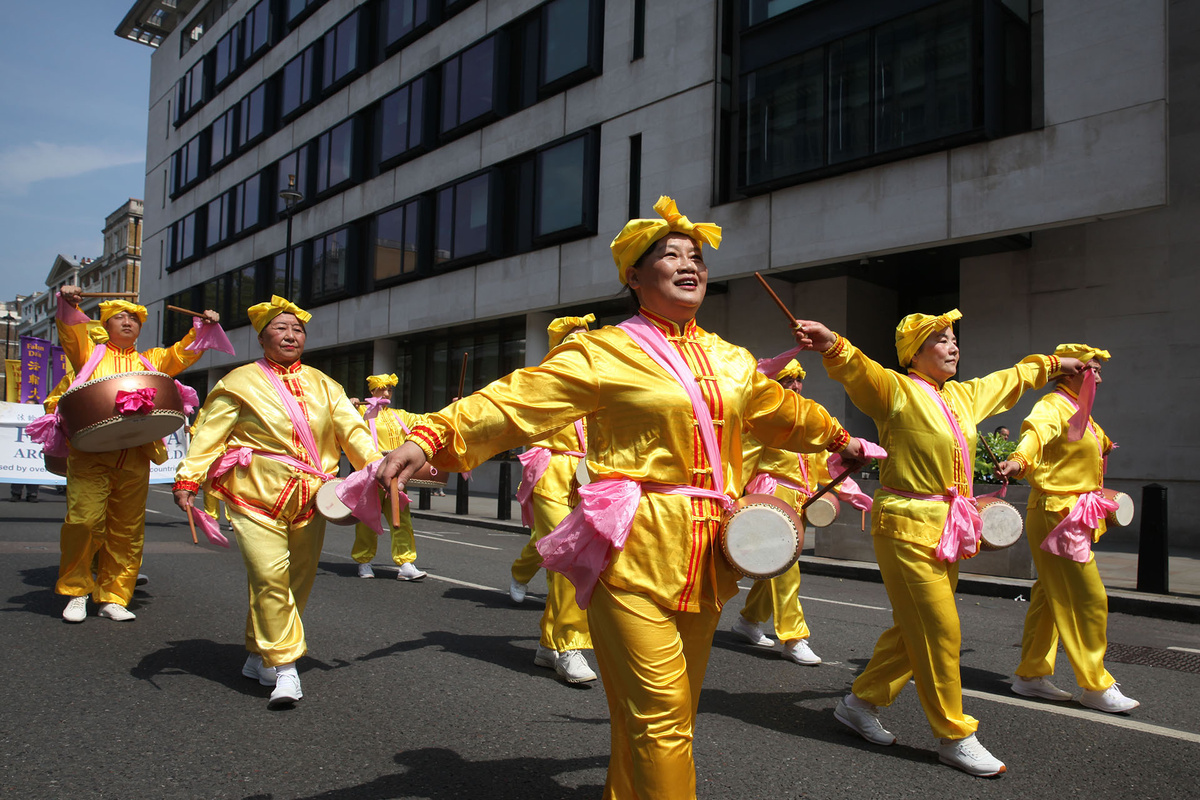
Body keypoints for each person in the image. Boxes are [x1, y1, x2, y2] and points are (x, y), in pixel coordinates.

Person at [378, 196, 863, 799]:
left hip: (712, 550)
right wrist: (431, 435)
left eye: (697, 258)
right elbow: (513, 401)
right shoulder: (601, 352)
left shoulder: (730, 358)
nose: (691, 266)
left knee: (669, 714)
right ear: (634, 277)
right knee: (662, 721)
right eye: (671, 256)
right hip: (633, 545)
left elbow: (781, 413)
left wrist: (844, 439)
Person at [793, 310, 1083, 777]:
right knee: (941, 629)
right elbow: (858, 369)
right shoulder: (894, 389)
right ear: (915, 352)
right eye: (942, 340)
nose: (954, 347)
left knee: (916, 628)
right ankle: (954, 734)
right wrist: (831, 344)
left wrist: (1053, 365)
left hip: (948, 526)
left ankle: (859, 702)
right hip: (905, 525)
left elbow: (1010, 379)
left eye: (954, 339)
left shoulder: (963, 397)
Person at [172, 296, 382, 708]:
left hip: (311, 499)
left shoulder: (326, 385)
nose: (290, 335)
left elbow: (354, 433)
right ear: (262, 335)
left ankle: (258, 654)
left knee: (296, 583)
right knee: (269, 575)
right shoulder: (239, 382)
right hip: (253, 494)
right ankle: (286, 668)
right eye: (281, 328)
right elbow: (209, 434)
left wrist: (377, 468)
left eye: (297, 329)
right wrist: (188, 477)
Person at [54, 286, 219, 624]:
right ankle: (77, 590)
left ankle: (114, 595)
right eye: (120, 316)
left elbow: (181, 354)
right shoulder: (89, 353)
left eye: (134, 318)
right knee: (84, 522)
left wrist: (203, 327)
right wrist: (68, 303)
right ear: (106, 324)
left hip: (134, 455)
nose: (128, 321)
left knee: (126, 529)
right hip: (90, 455)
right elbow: (71, 332)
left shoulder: (152, 361)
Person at [996, 344, 1139, 713]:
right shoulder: (1052, 406)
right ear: (1072, 371)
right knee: (1087, 597)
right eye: (1093, 369)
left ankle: (1029, 675)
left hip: (1070, 512)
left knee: (1050, 595)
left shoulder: (1082, 411)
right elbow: (1035, 434)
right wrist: (1018, 460)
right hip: (1056, 513)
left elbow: (1095, 446)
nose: (1100, 377)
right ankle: (1095, 683)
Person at [511, 314, 597, 684]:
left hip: (589, 475)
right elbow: (508, 412)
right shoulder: (543, 379)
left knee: (579, 557)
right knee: (570, 555)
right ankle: (568, 644)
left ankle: (549, 644)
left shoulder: (597, 381)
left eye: (586, 337)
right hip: (550, 469)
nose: (582, 342)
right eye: (573, 337)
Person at [733, 359, 830, 666]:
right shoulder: (762, 417)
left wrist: (850, 492)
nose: (795, 384)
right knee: (786, 569)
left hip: (799, 499)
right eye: (787, 378)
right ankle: (794, 637)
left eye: (798, 379)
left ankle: (748, 620)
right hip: (771, 496)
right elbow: (741, 459)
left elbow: (823, 464)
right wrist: (731, 497)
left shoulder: (809, 418)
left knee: (776, 564)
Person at [351, 372, 427, 581]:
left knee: (401, 518)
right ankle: (364, 561)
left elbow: (428, 420)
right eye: (382, 388)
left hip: (395, 473)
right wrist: (348, 406)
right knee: (367, 518)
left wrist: (454, 406)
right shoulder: (360, 413)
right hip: (369, 473)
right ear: (372, 391)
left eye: (390, 389)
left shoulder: (400, 415)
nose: (386, 392)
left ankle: (405, 563)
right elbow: (339, 422)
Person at [11, 399, 42, 502]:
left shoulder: (42, 417)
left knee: (33, 470)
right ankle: (16, 493)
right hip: (20, 449)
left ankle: (32, 494)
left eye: (31, 406)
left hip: (34, 449)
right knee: (18, 469)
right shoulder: (18, 417)